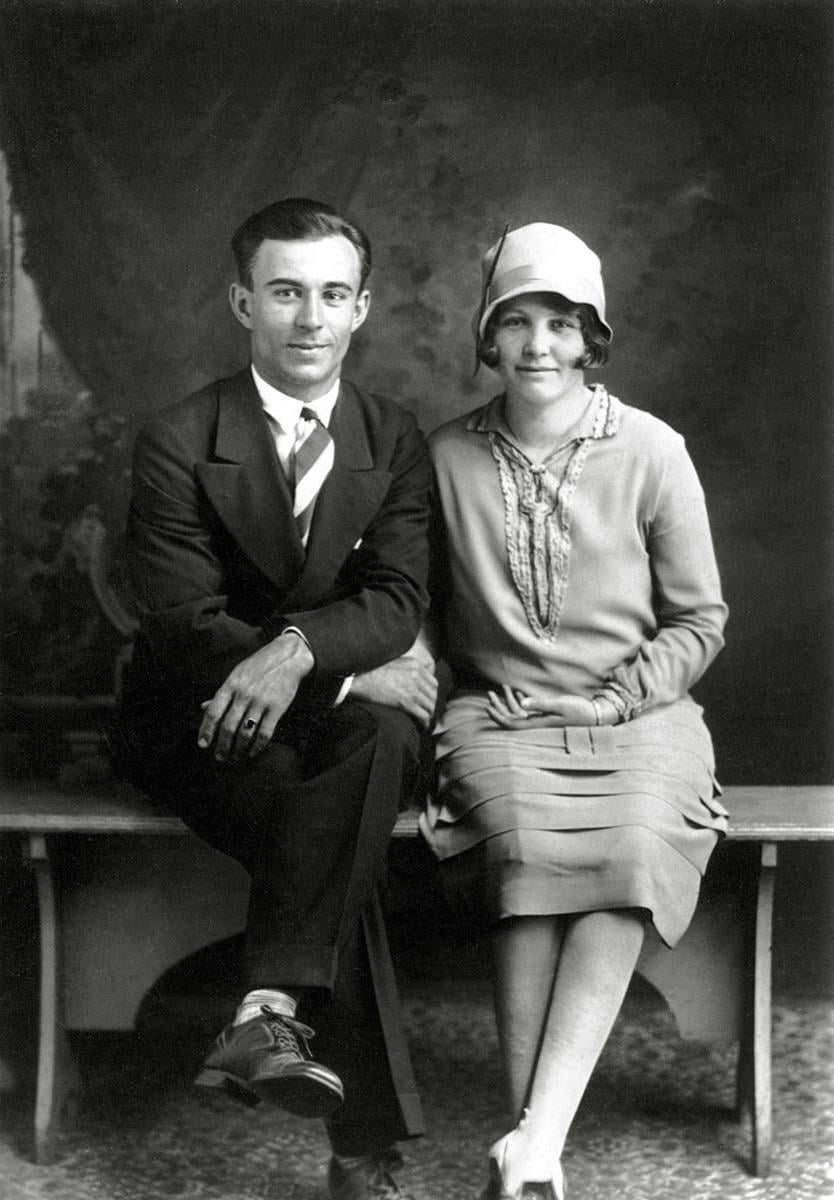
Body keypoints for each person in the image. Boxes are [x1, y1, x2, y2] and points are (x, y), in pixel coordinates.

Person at [112, 197, 437, 1200]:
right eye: (287, 293)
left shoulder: (391, 435)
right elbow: (179, 623)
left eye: (333, 295)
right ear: (241, 301)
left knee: (369, 750)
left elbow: (397, 597)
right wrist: (327, 664)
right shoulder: (178, 438)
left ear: (363, 308)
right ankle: (359, 1151)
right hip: (201, 724)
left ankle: (264, 1007)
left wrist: (298, 652)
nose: (310, 319)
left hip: (329, 717)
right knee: (350, 800)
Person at [420, 222, 728, 1200]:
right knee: (523, 852)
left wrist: (614, 696)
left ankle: (533, 1145)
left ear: (591, 336)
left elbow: (699, 619)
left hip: (640, 714)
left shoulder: (651, 449)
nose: (539, 345)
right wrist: (428, 687)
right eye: (518, 321)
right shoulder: (444, 460)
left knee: (631, 846)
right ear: (488, 335)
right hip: (501, 717)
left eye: (561, 323)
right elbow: (410, 607)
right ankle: (536, 1154)